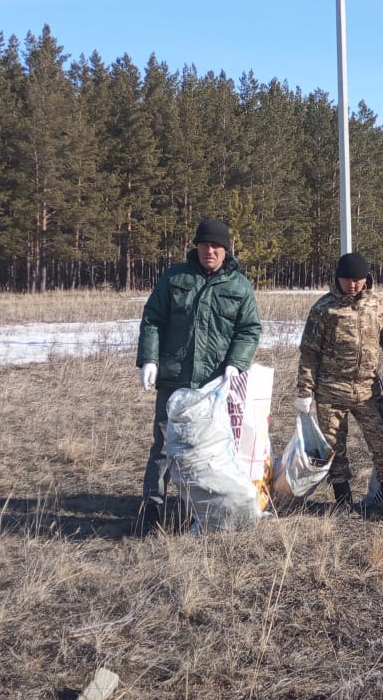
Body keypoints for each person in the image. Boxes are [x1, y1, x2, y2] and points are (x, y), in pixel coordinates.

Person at [136, 218, 262, 534]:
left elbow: (249, 329)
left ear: (226, 249)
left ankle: (206, 509)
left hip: (214, 384)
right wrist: (149, 359)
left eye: (217, 245)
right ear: (197, 247)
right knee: (164, 446)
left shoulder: (239, 285)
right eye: (205, 244)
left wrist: (236, 362)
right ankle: (152, 511)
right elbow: (152, 319)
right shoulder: (175, 278)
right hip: (174, 378)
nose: (211, 250)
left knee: (211, 449)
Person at [295, 252, 383, 517]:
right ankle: (343, 501)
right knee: (333, 447)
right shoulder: (324, 309)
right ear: (338, 279)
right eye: (347, 279)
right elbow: (309, 352)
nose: (353, 285)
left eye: (358, 279)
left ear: (366, 279)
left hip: (368, 390)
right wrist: (304, 391)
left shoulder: (379, 305)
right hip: (331, 390)